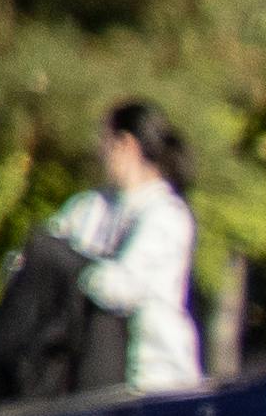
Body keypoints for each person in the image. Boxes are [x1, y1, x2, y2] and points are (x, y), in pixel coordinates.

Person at [44, 102, 206, 393]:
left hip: (150, 384)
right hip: (84, 377)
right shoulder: (90, 207)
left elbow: (122, 287)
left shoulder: (166, 214)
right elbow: (41, 251)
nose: (99, 152)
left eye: (103, 142)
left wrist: (71, 271)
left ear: (126, 145)